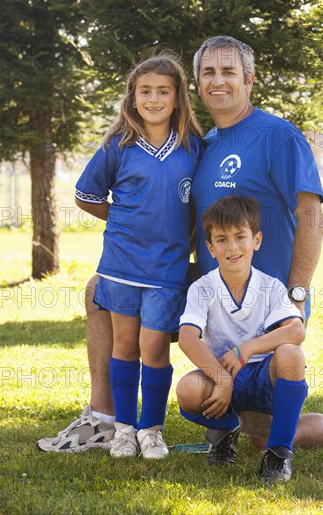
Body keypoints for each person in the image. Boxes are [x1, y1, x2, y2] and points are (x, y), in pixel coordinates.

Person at [37, 37, 323, 452]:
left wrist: (297, 293)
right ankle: (103, 419)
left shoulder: (279, 136)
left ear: (249, 79)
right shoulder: (202, 144)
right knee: (100, 291)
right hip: (207, 299)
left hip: (265, 304)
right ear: (197, 83)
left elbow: (311, 217)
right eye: (208, 72)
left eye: (228, 71)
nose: (218, 81)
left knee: (262, 438)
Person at [37, 54, 203, 459]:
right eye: (145, 91)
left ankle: (152, 430)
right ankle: (125, 430)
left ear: (178, 98)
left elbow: (200, 204)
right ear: (132, 97)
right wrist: (125, 217)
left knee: (155, 349)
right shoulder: (119, 145)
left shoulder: (194, 147)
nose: (153, 98)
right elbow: (85, 194)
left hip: (167, 269)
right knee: (124, 346)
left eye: (163, 91)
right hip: (121, 266)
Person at [177, 196, 308, 482]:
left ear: (256, 240)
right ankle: (226, 428)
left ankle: (278, 453)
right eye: (221, 240)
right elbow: (187, 338)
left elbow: (296, 331)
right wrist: (221, 378)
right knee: (187, 389)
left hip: (265, 377)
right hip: (223, 374)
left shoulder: (270, 286)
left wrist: (247, 348)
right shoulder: (203, 288)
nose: (232, 247)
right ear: (210, 248)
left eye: (240, 237)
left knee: (291, 354)